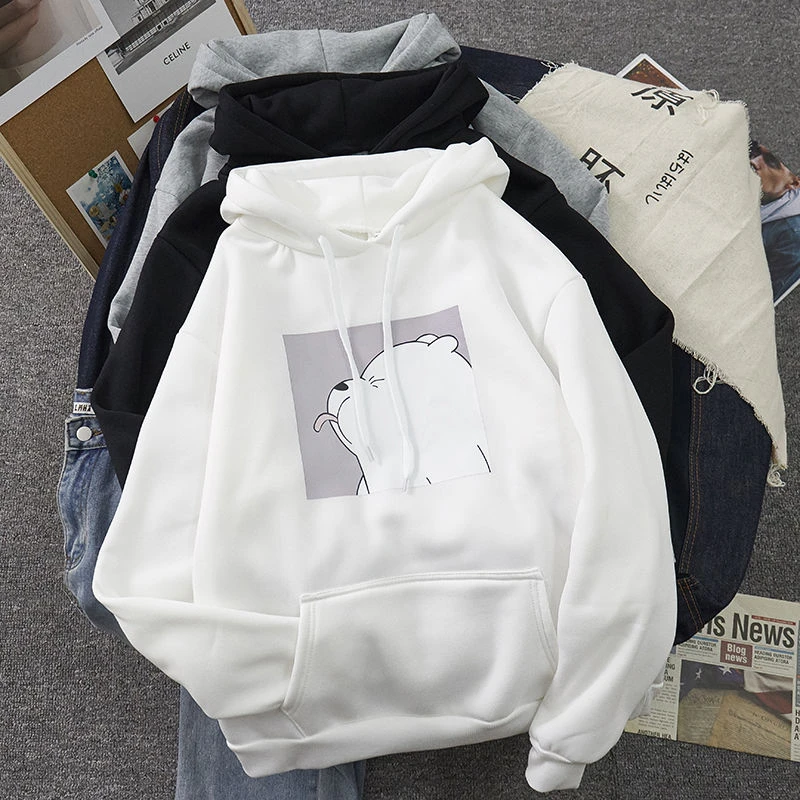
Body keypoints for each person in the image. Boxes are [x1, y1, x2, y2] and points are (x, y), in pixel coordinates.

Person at [749, 141, 800, 300]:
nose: (753, 162)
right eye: (754, 152)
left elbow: (764, 297)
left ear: (794, 183)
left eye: (771, 162)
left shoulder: (793, 234)